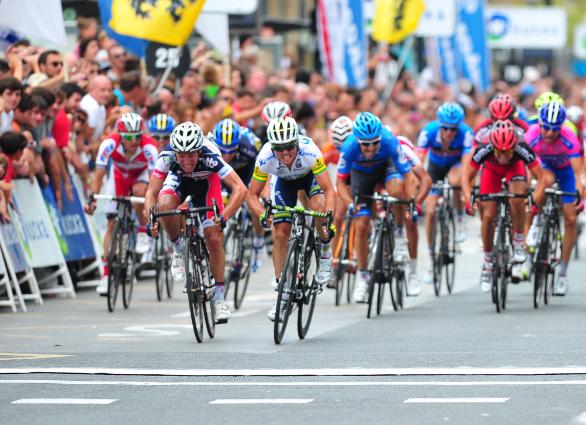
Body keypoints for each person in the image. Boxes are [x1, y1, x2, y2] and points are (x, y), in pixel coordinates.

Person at [145, 122, 247, 323]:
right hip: (180, 182)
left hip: (207, 185)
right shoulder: (167, 157)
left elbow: (240, 189)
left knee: (213, 239)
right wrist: (151, 219)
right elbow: (151, 192)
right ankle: (178, 248)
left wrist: (224, 216)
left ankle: (218, 298)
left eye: (191, 155)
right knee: (165, 205)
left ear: (199, 151)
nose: (186, 160)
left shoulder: (211, 156)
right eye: (181, 155)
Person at [247, 116, 336, 321]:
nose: (286, 153)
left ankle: (324, 251)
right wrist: (262, 214)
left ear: (296, 142)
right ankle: (283, 293)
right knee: (281, 233)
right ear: (272, 147)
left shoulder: (310, 152)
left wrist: (328, 217)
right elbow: (252, 195)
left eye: (289, 147)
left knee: (319, 206)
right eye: (280, 148)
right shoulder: (265, 158)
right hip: (283, 184)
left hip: (308, 177)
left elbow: (329, 190)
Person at [337, 112, 425, 302]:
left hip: (387, 169)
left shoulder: (389, 141)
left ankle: (400, 236)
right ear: (357, 141)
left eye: (374, 143)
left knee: (396, 190)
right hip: (362, 176)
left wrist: (410, 202)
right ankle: (362, 278)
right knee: (360, 225)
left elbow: (409, 176)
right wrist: (350, 204)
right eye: (365, 144)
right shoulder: (349, 146)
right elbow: (340, 183)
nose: (370, 148)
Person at [462, 120, 546, 292]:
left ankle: (518, 241)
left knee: (517, 198)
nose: (502, 157)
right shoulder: (484, 147)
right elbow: (466, 177)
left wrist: (534, 200)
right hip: (491, 170)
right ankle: (487, 262)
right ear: (493, 148)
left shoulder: (521, 146)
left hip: (515, 168)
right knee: (488, 215)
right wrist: (467, 198)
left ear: (513, 147)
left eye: (507, 152)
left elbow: (542, 178)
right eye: (499, 152)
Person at [85, 113, 158, 295]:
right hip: (118, 176)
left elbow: (154, 181)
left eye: (138, 136)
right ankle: (106, 275)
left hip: (141, 176)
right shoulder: (109, 143)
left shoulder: (149, 147)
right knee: (111, 225)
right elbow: (99, 173)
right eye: (129, 137)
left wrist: (152, 209)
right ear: (121, 136)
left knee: (140, 193)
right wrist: (92, 198)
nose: (134, 141)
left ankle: (142, 230)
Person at [525, 102, 584, 295]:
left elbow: (577, 173)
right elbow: (524, 166)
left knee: (571, 218)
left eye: (555, 129)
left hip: (566, 171)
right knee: (545, 181)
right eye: (546, 128)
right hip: (544, 167)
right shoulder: (531, 135)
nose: (550, 133)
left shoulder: (570, 139)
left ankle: (562, 271)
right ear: (539, 123)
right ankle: (535, 223)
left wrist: (579, 196)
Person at [417, 102, 473, 282]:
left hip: (455, 166)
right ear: (440, 126)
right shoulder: (428, 131)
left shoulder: (466, 134)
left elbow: (466, 168)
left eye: (453, 129)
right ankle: (432, 258)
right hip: (435, 168)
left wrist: (467, 196)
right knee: (431, 210)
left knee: (456, 180)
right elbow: (418, 163)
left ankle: (459, 217)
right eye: (446, 129)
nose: (449, 133)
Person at [211, 118, 265, 271]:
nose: (227, 155)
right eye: (222, 151)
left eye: (231, 150)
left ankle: (258, 243)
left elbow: (264, 168)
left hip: (247, 171)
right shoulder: (209, 144)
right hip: (223, 175)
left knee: (254, 203)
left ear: (238, 144)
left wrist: (256, 193)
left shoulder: (251, 143)